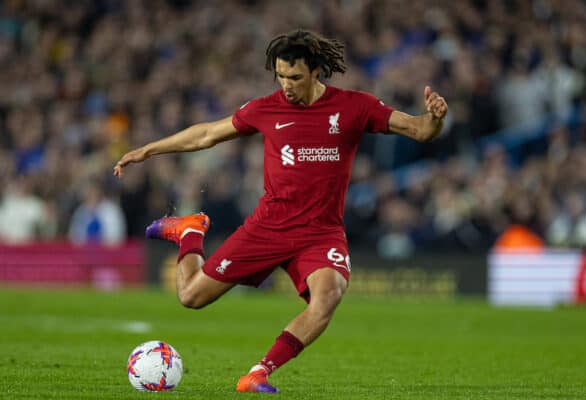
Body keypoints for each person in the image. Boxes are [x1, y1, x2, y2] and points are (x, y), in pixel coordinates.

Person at [113, 29, 448, 393]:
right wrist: (149, 150)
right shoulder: (265, 108)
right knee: (191, 297)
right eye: (280, 76)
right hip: (268, 228)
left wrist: (435, 118)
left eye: (295, 77)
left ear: (317, 71)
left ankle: (259, 371)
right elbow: (207, 134)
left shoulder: (355, 106)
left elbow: (419, 130)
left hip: (321, 233)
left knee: (329, 296)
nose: (286, 85)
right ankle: (190, 232)